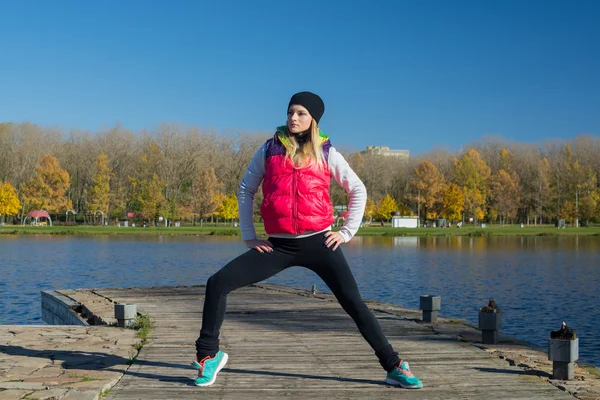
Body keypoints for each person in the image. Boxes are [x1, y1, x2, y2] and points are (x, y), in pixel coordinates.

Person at [192, 91, 423, 390]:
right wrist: (249, 236)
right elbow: (245, 190)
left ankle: (393, 366)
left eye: (301, 113)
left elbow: (358, 190)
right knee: (217, 283)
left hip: (319, 243)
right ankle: (208, 356)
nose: (293, 118)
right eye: (290, 112)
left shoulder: (327, 152)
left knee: (354, 304)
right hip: (277, 245)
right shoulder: (268, 149)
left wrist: (346, 232)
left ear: (313, 118)